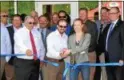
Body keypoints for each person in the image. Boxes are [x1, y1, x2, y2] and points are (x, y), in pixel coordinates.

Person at [14, 16, 45, 80]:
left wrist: (41, 59)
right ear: (24, 23)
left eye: (33, 23)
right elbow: (20, 44)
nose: (32, 25)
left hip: (36, 62)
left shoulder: (37, 32)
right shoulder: (18, 33)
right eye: (30, 23)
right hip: (23, 63)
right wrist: (26, 50)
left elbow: (41, 47)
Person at [104, 7, 124, 80]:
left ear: (118, 14)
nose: (111, 15)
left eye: (114, 13)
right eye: (110, 13)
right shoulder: (108, 26)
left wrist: (122, 58)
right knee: (110, 78)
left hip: (118, 60)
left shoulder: (122, 25)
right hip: (107, 58)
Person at [79, 8, 98, 80]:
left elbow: (93, 40)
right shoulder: (76, 24)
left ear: (87, 14)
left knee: (90, 75)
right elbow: (71, 36)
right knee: (79, 75)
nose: (81, 15)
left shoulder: (92, 25)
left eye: (83, 13)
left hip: (89, 53)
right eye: (80, 13)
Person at [5, 14, 22, 80]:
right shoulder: (6, 30)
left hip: (23, 61)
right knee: (10, 77)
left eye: (18, 20)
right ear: (12, 21)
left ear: (21, 21)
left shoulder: (25, 30)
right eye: (15, 20)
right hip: (10, 60)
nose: (17, 21)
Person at [94, 7, 110, 80]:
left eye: (104, 12)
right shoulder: (96, 23)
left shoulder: (111, 24)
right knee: (95, 69)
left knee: (104, 69)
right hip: (95, 50)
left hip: (105, 50)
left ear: (108, 13)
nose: (103, 14)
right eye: (101, 13)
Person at [38, 15, 51, 80]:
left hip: (47, 61)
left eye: (44, 21)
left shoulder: (51, 33)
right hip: (35, 60)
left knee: (45, 78)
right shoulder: (33, 32)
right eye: (41, 20)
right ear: (38, 21)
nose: (42, 22)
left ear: (47, 22)